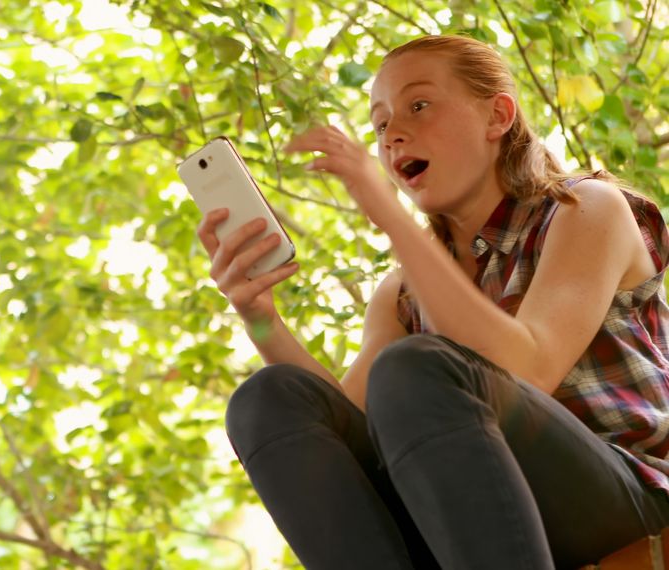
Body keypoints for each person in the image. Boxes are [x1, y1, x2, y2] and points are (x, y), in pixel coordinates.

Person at [197, 34, 669, 569]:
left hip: (617, 495)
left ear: (498, 116)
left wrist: (394, 223)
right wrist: (260, 318)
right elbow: (345, 435)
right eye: (379, 125)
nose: (393, 134)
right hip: (465, 515)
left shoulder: (584, 209)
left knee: (415, 367)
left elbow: (530, 368)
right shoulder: (400, 293)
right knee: (269, 398)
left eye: (418, 105)